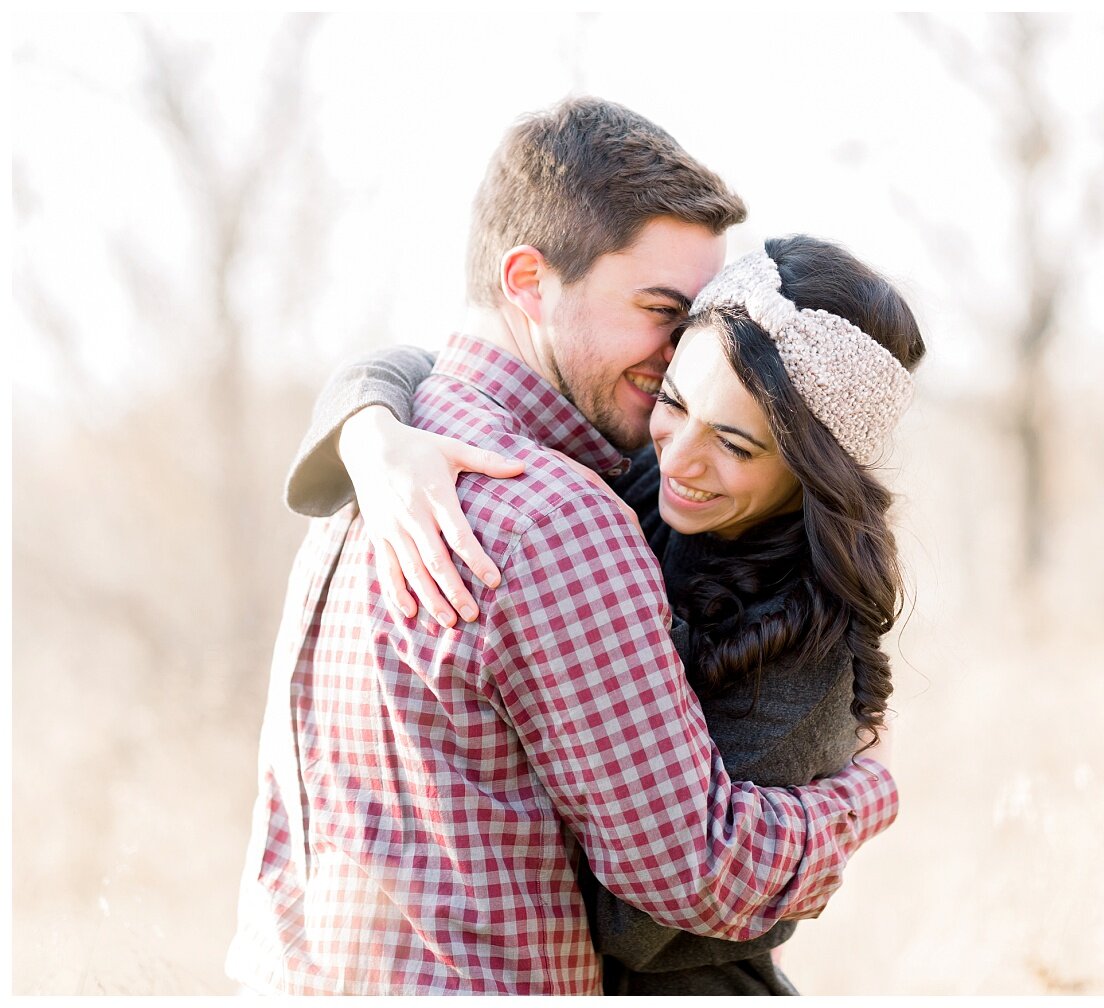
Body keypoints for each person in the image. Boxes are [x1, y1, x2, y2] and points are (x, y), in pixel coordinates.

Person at [226, 98, 899, 996]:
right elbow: (692, 874)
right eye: (662, 309)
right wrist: (870, 794)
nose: (685, 353)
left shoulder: (372, 472)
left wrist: (365, 417)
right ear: (528, 280)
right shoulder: (551, 515)